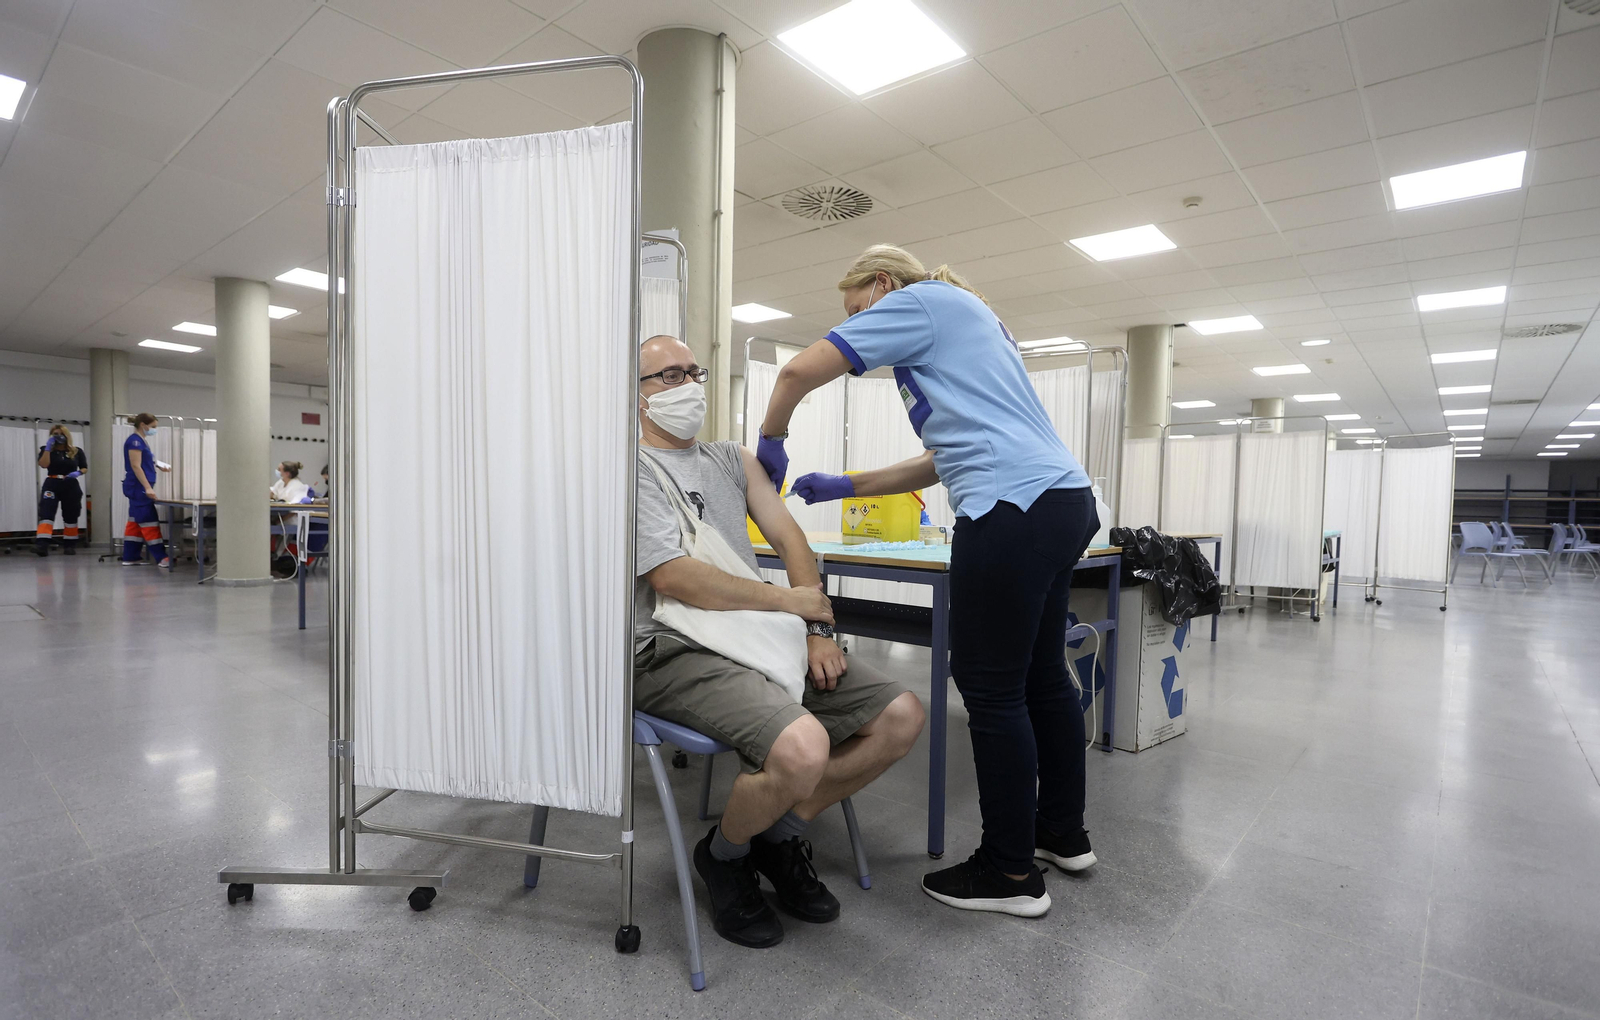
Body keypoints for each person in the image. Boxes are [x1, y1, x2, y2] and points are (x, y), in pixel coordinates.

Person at [756, 245, 1100, 919]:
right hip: (1061, 499)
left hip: (1009, 508)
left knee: (992, 690)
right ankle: (1060, 832)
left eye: (858, 310)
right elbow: (942, 459)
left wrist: (773, 434)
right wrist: (846, 485)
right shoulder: (966, 320)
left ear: (882, 284)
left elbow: (797, 370)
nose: (859, 327)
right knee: (1041, 677)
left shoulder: (920, 302)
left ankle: (1008, 872)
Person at [633, 334, 925, 949]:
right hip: (670, 645)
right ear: (636, 399)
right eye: (666, 377)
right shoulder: (627, 470)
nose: (686, 385)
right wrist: (789, 604)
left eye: (693, 371)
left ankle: (775, 830)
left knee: (900, 717)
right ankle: (727, 854)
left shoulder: (732, 460)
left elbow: (792, 541)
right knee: (801, 748)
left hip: (755, 631)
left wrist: (816, 630)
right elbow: (672, 577)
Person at [121, 413, 172, 568]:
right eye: (153, 427)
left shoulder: (141, 441)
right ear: (143, 425)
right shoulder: (135, 441)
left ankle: (130, 556)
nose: (154, 430)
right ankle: (162, 558)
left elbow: (146, 460)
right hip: (139, 488)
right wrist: (147, 487)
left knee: (135, 522)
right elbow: (136, 466)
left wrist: (158, 464)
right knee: (149, 520)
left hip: (138, 487)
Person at [35, 424, 87, 556]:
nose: (59, 437)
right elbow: (43, 464)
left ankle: (69, 545)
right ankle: (42, 545)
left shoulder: (76, 451)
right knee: (46, 513)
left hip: (70, 484)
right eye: (55, 434)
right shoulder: (46, 450)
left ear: (66, 435)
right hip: (52, 483)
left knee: (71, 514)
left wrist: (78, 473)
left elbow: (84, 467)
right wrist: (47, 448)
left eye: (61, 434)